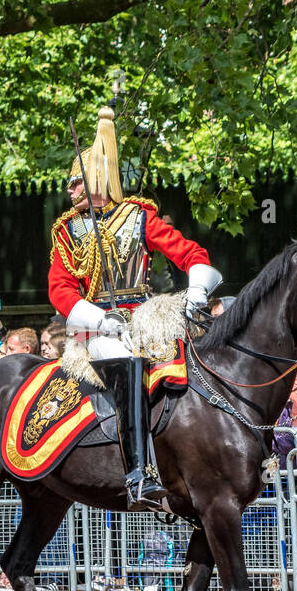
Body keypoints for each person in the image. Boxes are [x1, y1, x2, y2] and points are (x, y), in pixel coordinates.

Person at [48, 105, 221, 511]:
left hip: (146, 317)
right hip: (96, 326)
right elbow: (60, 290)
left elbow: (191, 254)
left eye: (75, 182)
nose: (70, 191)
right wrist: (98, 319)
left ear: (94, 180)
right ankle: (138, 474)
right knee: (127, 365)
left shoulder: (138, 217)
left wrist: (196, 294)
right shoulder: (67, 231)